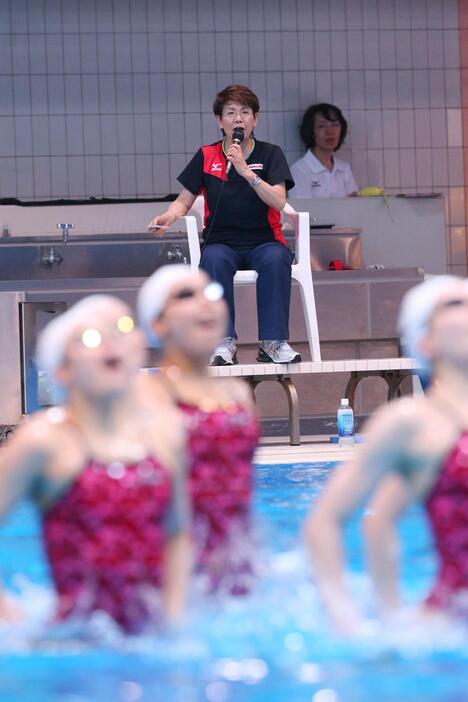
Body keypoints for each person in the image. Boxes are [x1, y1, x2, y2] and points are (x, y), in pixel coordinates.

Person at [0, 295, 190, 634]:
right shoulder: (45, 440)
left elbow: (177, 533)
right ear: (62, 369)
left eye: (122, 328)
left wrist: (174, 618)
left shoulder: (163, 434)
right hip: (75, 648)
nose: (110, 341)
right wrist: (13, 619)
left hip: (151, 642)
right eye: (90, 337)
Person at [306, 275, 468, 634]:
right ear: (426, 341)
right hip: (452, 635)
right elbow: (325, 521)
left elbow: (379, 519)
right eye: (457, 304)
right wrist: (355, 621)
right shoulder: (413, 423)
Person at [148, 84, 301, 366]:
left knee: (277, 258)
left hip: (264, 240)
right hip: (222, 241)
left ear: (255, 119)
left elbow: (279, 201)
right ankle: (223, 341)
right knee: (213, 260)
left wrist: (246, 171)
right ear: (220, 120)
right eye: (231, 112)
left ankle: (273, 341)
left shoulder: (270, 154)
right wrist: (168, 217)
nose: (238, 119)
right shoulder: (206, 155)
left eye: (245, 112)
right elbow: (184, 200)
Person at [138, 265, 259, 594]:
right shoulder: (146, 398)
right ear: (157, 323)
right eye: (185, 296)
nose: (205, 303)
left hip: (237, 572)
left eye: (211, 293)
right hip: (169, 582)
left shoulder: (237, 394)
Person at [289, 103, 358, 198]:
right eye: (322, 126)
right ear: (311, 131)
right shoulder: (299, 170)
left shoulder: (344, 168)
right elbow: (300, 209)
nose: (330, 131)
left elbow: (355, 205)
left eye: (335, 125)